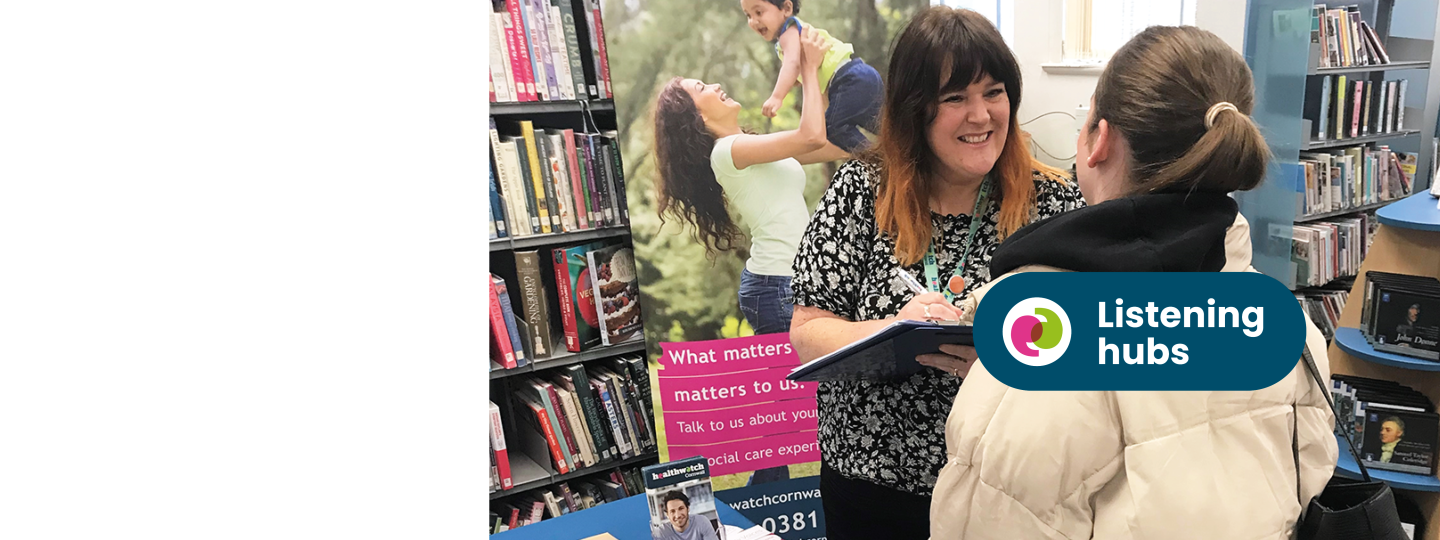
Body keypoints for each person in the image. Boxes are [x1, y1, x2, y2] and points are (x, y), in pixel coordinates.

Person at [929, 26, 1338, 539]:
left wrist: (1001, 391)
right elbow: (1308, 480)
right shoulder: (1292, 329)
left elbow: (987, 522)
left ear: (1099, 140)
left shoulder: (1051, 347)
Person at [787, 7, 1084, 539]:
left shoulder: (1055, 200)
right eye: (954, 98)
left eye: (993, 92)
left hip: (1010, 489)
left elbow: (1097, 340)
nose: (981, 116)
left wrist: (1015, 359)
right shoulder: (861, 192)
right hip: (872, 487)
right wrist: (892, 330)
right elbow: (807, 331)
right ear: (914, 110)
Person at [653, 26, 831, 486]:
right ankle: (763, 511)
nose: (713, 85)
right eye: (700, 89)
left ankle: (765, 511)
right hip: (779, 288)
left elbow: (823, 140)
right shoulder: (729, 151)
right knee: (788, 420)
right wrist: (806, 69)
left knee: (786, 422)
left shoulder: (746, 144)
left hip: (783, 282)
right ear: (694, 118)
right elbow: (811, 135)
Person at [741, 0, 881, 159]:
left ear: (786, 8)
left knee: (832, 128)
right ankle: (901, 151)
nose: (753, 21)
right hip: (860, 76)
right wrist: (796, 79)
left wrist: (777, 96)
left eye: (759, 12)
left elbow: (791, 65)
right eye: (748, 15)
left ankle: (876, 160)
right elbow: (797, 68)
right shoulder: (794, 33)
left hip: (847, 80)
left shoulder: (789, 33)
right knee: (884, 127)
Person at [655, 491, 720, 540]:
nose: (678, 515)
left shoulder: (701, 522)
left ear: (688, 508)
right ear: (667, 515)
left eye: (681, 508)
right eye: (672, 511)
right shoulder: (661, 534)